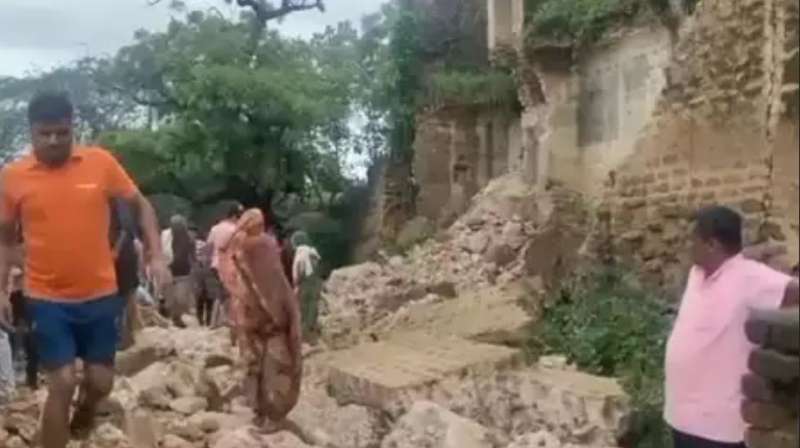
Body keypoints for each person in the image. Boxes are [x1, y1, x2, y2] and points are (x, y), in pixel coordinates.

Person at [0, 92, 170, 448]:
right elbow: (4, 240)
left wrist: (156, 255)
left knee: (100, 382)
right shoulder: (12, 178)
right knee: (62, 382)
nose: (53, 141)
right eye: (45, 133)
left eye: (61, 133)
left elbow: (141, 205)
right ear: (32, 132)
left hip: (99, 294)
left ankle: (88, 410)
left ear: (72, 128)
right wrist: (2, 290)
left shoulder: (100, 163)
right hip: (46, 297)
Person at [664, 206, 799, 448]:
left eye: (693, 240)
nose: (688, 247)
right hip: (681, 416)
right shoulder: (696, 274)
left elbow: (793, 291)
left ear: (712, 245)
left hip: (717, 427)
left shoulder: (749, 277)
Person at [222, 209, 302, 431]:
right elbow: (271, 283)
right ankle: (269, 414)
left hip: (253, 316)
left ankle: (264, 413)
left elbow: (243, 282)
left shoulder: (242, 246)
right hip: (264, 318)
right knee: (271, 365)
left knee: (260, 365)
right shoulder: (261, 245)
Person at [110, 198, 143, 350]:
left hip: (121, 260)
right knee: (125, 299)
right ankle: (125, 336)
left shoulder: (117, 204)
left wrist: (115, 251)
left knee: (121, 299)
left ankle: (122, 337)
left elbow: (124, 229)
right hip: (122, 259)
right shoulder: (121, 204)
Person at [207, 203, 243, 337]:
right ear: (234, 216)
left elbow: (209, 246)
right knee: (229, 294)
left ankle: (214, 321)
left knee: (219, 294)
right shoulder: (235, 230)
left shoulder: (215, 228)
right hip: (228, 265)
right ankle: (227, 321)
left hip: (214, 264)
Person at [165, 215, 196, 328]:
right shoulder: (166, 236)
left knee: (181, 298)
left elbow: (192, 254)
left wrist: (194, 265)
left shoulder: (189, 238)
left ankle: (177, 316)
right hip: (169, 269)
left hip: (184, 272)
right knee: (171, 298)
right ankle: (175, 318)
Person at [290, 231, 322, 338]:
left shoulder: (300, 254)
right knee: (313, 308)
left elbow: (298, 272)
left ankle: (305, 335)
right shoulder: (312, 252)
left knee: (302, 310)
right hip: (315, 282)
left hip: (304, 284)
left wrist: (296, 284)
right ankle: (313, 331)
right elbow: (317, 267)